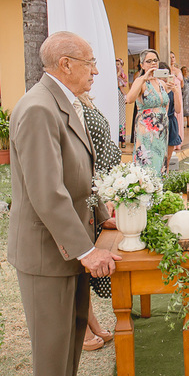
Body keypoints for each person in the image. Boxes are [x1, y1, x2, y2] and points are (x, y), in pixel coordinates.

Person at [8, 31, 120, 376]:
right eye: (89, 62)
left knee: (72, 323)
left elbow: (81, 176)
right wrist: (85, 251)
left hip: (73, 238)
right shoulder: (38, 108)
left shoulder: (63, 102)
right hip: (47, 245)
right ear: (65, 64)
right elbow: (47, 192)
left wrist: (103, 215)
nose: (95, 70)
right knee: (51, 331)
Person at [77, 90, 121, 352]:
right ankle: (84, 324)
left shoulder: (83, 98)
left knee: (84, 264)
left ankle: (90, 319)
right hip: (86, 191)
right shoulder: (63, 102)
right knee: (80, 262)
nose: (94, 71)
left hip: (96, 190)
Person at [126, 49, 177, 177]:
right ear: (142, 65)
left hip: (161, 131)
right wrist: (144, 78)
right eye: (148, 61)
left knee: (160, 161)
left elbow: (165, 105)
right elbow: (129, 99)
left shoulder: (161, 83)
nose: (153, 63)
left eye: (155, 60)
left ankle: (160, 189)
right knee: (147, 163)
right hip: (146, 132)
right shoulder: (140, 81)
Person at [115, 58, 129, 145]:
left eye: (119, 64)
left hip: (120, 96)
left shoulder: (122, 77)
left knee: (122, 117)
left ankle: (122, 140)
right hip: (114, 96)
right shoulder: (113, 75)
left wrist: (125, 96)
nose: (117, 66)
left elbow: (122, 87)